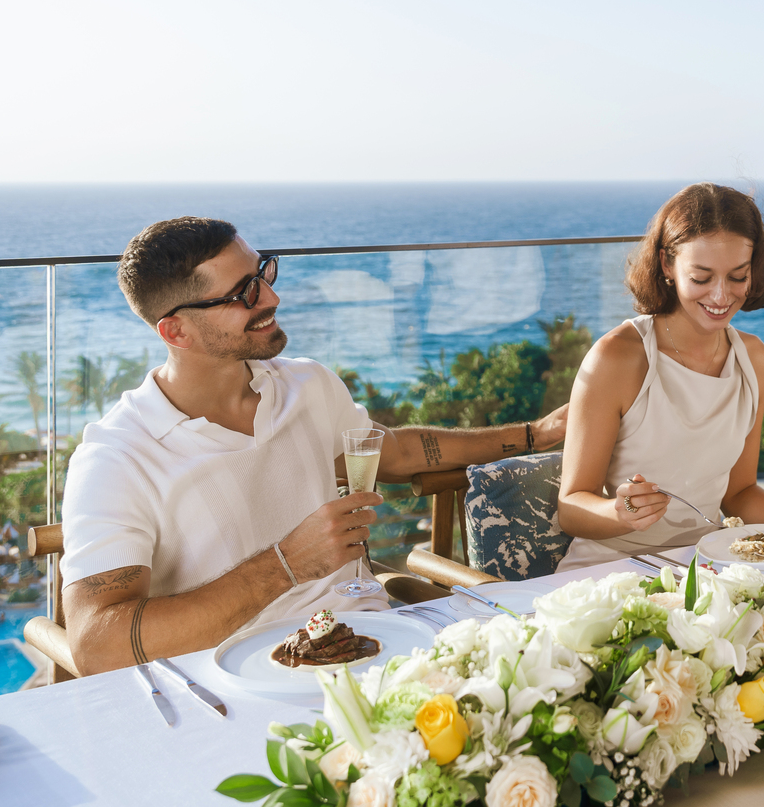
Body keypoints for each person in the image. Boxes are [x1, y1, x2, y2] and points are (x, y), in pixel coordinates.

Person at [61, 217, 568, 676]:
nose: (270, 299)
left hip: (380, 650)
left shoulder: (308, 386)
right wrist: (284, 565)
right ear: (176, 331)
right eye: (242, 294)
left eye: (262, 274)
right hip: (236, 686)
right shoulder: (118, 458)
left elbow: (396, 453)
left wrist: (533, 435)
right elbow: (97, 648)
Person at [556, 184, 764, 569]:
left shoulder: (753, 359)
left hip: (706, 571)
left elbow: (738, 492)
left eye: (737, 276)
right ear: (666, 265)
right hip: (611, 573)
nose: (721, 296)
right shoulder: (617, 358)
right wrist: (620, 511)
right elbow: (571, 507)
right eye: (701, 277)